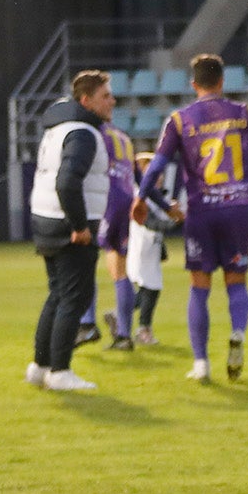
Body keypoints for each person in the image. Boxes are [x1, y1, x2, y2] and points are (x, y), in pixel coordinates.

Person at [133, 53, 248, 383]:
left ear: (193, 84)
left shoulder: (179, 120)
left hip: (201, 211)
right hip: (237, 209)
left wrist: (140, 197)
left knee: (199, 287)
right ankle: (237, 333)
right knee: (236, 282)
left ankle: (201, 363)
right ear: (222, 81)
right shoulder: (244, 114)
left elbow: (156, 165)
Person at [25, 70, 115, 391]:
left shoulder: (58, 128)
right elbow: (67, 181)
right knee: (74, 297)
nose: (112, 101)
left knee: (57, 294)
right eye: (106, 96)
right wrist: (79, 225)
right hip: (70, 225)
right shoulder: (83, 133)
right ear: (85, 100)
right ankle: (60, 371)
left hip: (45, 219)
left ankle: (40, 365)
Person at [125, 151, 181, 346]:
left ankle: (121, 316)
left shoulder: (156, 196)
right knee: (150, 288)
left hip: (152, 248)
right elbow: (149, 223)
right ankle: (140, 328)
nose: (160, 177)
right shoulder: (141, 196)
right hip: (142, 247)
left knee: (148, 290)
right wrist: (174, 222)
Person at [97, 119, 139, 351]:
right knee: (120, 269)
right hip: (126, 196)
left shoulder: (97, 131)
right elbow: (137, 175)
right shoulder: (123, 135)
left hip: (109, 198)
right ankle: (124, 334)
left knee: (84, 257)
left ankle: (86, 324)